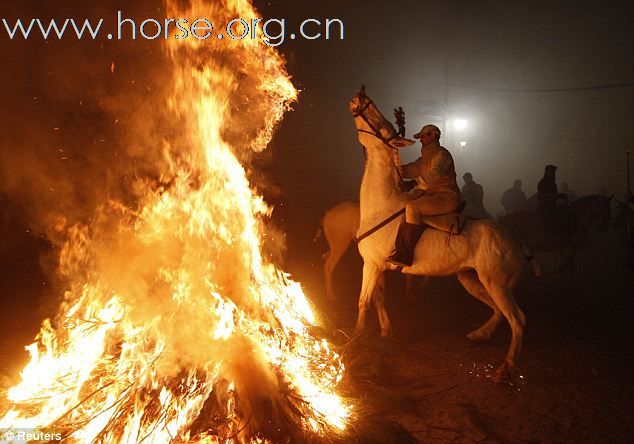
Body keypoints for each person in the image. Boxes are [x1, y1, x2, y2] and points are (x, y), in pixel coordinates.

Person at [388, 124, 460, 267]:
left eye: (423, 136)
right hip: (430, 196)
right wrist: (390, 165)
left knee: (412, 207)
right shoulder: (423, 160)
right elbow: (409, 170)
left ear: (433, 136)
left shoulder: (442, 154)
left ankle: (405, 254)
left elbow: (434, 174)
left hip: (446, 197)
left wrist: (412, 184)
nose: (420, 140)